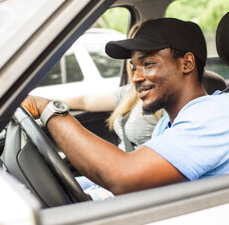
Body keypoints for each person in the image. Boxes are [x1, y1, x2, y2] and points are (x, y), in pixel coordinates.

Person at [22, 18, 229, 196]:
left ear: (187, 63)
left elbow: (123, 177)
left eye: (148, 64)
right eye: (134, 66)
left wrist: (48, 109)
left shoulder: (217, 115)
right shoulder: (169, 122)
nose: (136, 77)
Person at [64, 22, 164, 153]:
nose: (134, 54)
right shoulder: (130, 92)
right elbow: (85, 101)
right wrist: (49, 104)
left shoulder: (166, 99)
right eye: (131, 51)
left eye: (147, 61)